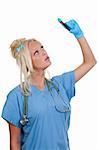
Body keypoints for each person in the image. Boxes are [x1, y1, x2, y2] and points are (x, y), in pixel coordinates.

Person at [1, 19, 97, 150]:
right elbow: (15, 144)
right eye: (36, 52)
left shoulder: (60, 85)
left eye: (42, 47)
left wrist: (79, 35)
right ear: (28, 62)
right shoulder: (17, 97)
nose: (44, 52)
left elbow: (90, 62)